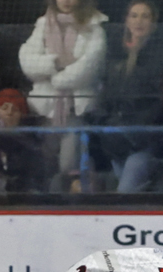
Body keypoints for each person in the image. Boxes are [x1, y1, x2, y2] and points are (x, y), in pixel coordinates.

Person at [19, 0, 110, 192]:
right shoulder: (44, 23)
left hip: (76, 112)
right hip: (45, 112)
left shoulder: (94, 26)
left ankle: (67, 203)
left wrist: (57, 79)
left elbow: (89, 68)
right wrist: (54, 63)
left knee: (68, 167)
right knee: (44, 165)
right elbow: (27, 61)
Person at [93, 0, 163, 193]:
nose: (139, 21)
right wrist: (105, 124)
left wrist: (134, 133)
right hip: (114, 143)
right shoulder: (115, 53)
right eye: (134, 16)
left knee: (124, 194)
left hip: (145, 142)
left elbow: (159, 102)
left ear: (154, 23)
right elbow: (105, 96)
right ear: (126, 21)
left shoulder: (161, 56)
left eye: (145, 16)